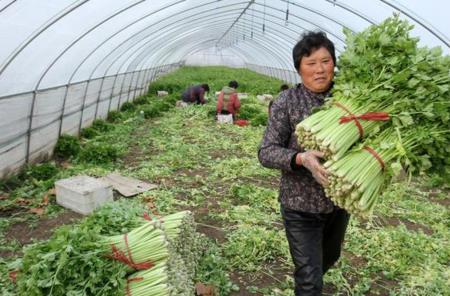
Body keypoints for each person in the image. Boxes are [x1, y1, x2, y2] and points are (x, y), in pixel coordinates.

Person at [258, 31, 350, 295]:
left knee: (327, 259)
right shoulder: (287, 102)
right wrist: (301, 158)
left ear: (334, 63)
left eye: (326, 61)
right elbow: (266, 152)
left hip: (339, 200)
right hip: (300, 205)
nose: (320, 69)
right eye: (311, 64)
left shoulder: (347, 99)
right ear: (299, 68)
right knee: (309, 280)